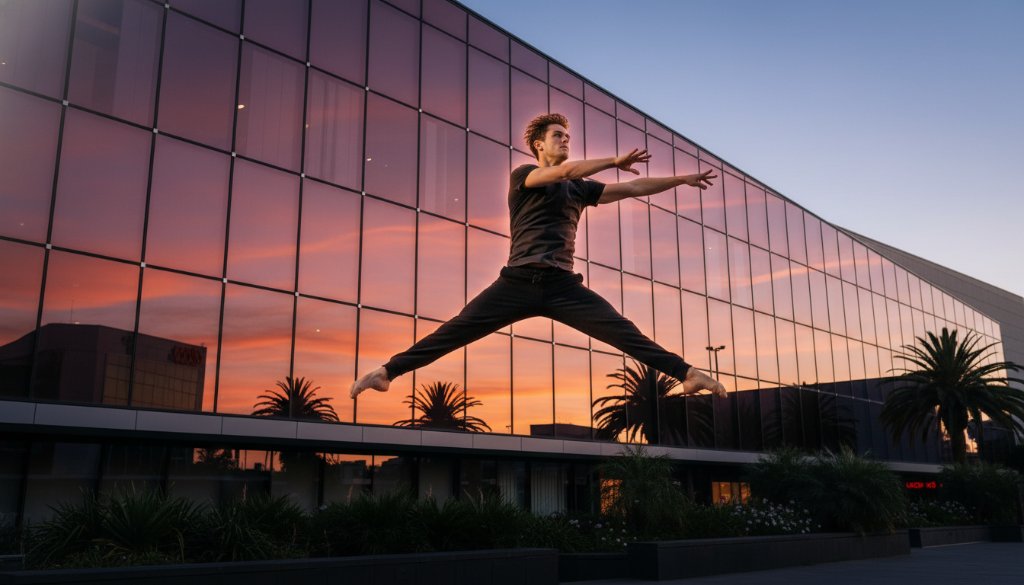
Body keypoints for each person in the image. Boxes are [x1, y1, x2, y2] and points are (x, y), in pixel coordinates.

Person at [350, 113, 726, 400]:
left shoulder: (579, 189)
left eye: (568, 137)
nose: (565, 141)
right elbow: (565, 171)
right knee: (456, 331)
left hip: (563, 286)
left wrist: (679, 180)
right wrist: (612, 159)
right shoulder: (524, 175)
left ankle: (687, 373)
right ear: (538, 146)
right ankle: (386, 372)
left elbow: (631, 187)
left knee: (623, 332)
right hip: (516, 282)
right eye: (558, 137)